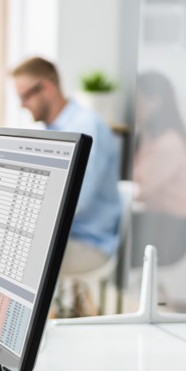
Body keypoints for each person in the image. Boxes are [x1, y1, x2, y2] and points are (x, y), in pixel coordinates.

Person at [11, 57, 121, 275]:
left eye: (24, 96)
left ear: (48, 87)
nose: (22, 105)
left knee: (16, 255)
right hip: (62, 237)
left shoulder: (87, 127)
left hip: (87, 242)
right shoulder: (50, 132)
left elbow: (76, 200)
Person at [130, 70, 186, 266]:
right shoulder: (149, 137)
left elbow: (141, 189)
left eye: (138, 100)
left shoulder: (169, 144)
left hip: (169, 229)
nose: (134, 107)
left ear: (156, 101)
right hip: (155, 219)